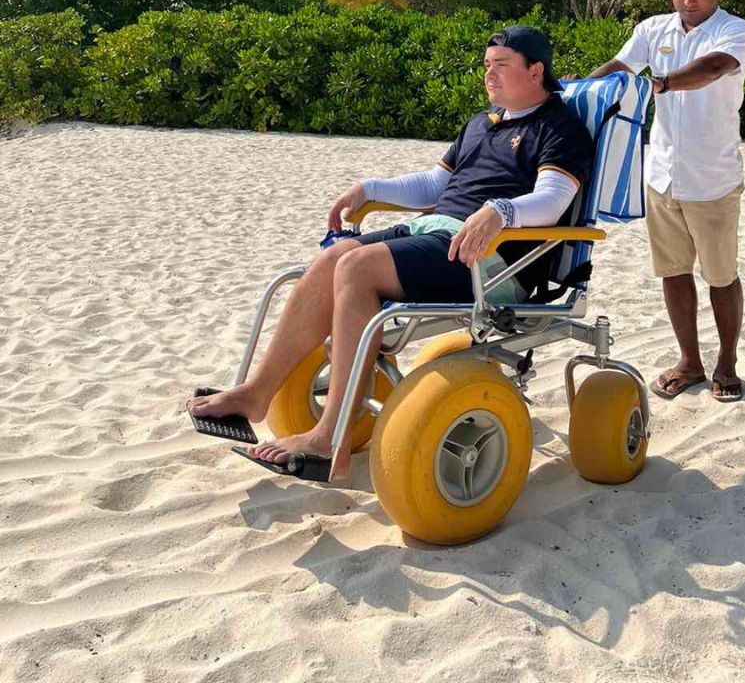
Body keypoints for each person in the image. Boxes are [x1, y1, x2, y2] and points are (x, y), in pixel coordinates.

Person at [187, 26, 595, 480]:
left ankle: (330, 441)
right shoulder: (483, 123)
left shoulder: (560, 128)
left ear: (536, 70)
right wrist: (368, 189)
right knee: (332, 257)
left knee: (358, 268)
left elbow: (554, 200)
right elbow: (436, 185)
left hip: (494, 258)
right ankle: (255, 395)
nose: (489, 77)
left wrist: (499, 212)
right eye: (486, 66)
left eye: (501, 66)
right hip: (435, 231)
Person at [585, 0, 745, 401]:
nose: (689, 0)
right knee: (673, 272)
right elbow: (620, 69)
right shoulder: (652, 29)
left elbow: (712, 69)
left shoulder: (736, 31)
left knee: (721, 276)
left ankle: (726, 363)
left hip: (713, 178)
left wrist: (659, 82)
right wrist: (574, 94)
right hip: (660, 174)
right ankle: (690, 362)